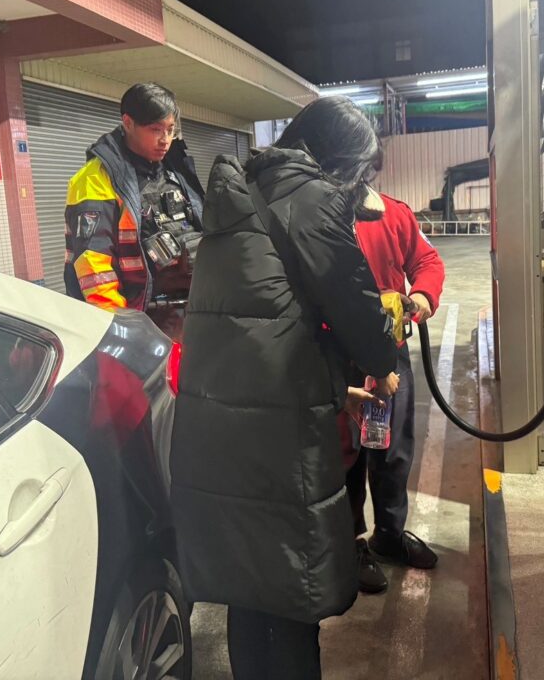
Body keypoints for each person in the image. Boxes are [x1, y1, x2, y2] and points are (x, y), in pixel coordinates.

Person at [169, 96, 399, 680]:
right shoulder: (312, 198)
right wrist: (381, 362)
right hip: (276, 434)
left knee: (249, 584)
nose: (361, 186)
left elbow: (266, 318)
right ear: (340, 160)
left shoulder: (240, 188)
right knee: (294, 587)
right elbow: (355, 304)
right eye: (361, 172)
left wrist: (332, 389)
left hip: (219, 416)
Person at [346, 192, 446, 594]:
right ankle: (350, 545)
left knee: (392, 450)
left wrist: (420, 297)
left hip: (390, 351)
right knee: (346, 455)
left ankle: (388, 534)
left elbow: (426, 260)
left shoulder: (390, 212)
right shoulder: (314, 213)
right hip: (336, 354)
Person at [64, 82, 205, 316]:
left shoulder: (176, 169)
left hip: (187, 311)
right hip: (135, 316)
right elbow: (94, 265)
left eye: (170, 129)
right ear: (128, 123)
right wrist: (120, 324)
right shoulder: (95, 178)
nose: (165, 139)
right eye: (155, 129)